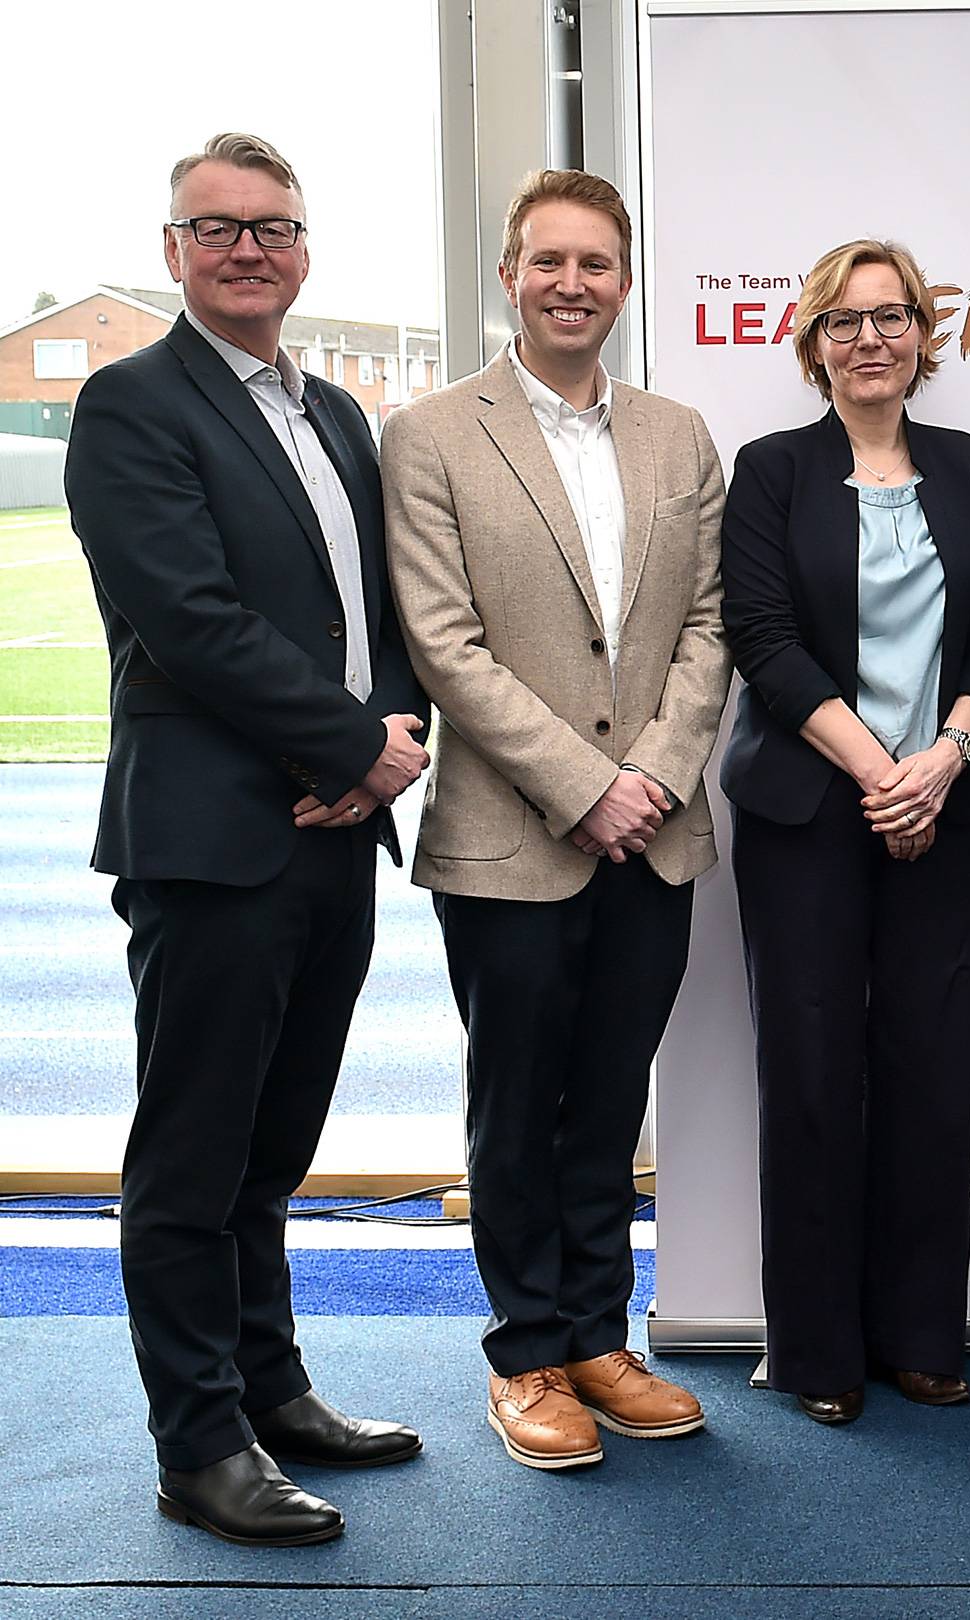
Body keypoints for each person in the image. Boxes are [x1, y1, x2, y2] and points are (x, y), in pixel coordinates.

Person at [63, 132, 429, 1546]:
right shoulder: (129, 406)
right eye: (215, 230)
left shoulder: (335, 411)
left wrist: (386, 746)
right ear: (172, 251)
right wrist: (348, 749)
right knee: (192, 1162)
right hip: (213, 841)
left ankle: (272, 1390)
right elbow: (190, 621)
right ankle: (197, 1445)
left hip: (335, 835)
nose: (246, 250)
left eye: (271, 228)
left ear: (305, 248)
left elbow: (373, 618)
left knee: (274, 1151)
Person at [382, 169, 731, 1472]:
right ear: (510, 277)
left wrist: (649, 775)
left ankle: (596, 1334)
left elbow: (706, 629)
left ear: (623, 282)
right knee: (515, 1104)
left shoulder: (677, 435)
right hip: (508, 835)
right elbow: (443, 642)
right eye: (548, 262)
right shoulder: (430, 434)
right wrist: (584, 787)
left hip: (657, 829)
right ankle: (526, 1350)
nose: (571, 284)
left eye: (595, 264)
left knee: (604, 1103)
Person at [719, 239, 970, 1425]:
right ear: (812, 343)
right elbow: (763, 635)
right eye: (844, 322)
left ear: (924, 338)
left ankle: (921, 1336)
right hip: (807, 811)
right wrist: (881, 771)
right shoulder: (773, 468)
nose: (870, 339)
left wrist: (943, 760)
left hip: (945, 800)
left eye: (891, 318)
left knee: (934, 1072)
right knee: (812, 1075)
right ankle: (820, 1351)